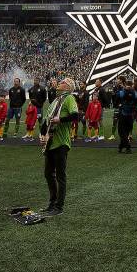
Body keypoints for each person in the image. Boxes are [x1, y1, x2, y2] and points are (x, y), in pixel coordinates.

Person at [42, 77, 79, 216]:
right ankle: (52, 203)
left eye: (63, 82)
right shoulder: (55, 101)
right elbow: (46, 121)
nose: (59, 83)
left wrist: (61, 119)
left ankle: (59, 207)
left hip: (61, 142)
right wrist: (42, 135)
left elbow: (75, 116)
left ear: (68, 87)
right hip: (50, 142)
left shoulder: (69, 98)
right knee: (48, 174)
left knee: (60, 176)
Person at [115, 76, 137, 153]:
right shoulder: (134, 92)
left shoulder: (123, 91)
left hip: (123, 113)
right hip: (130, 114)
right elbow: (136, 97)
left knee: (121, 131)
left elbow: (117, 96)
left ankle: (128, 147)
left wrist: (121, 88)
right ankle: (121, 146)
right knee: (126, 132)